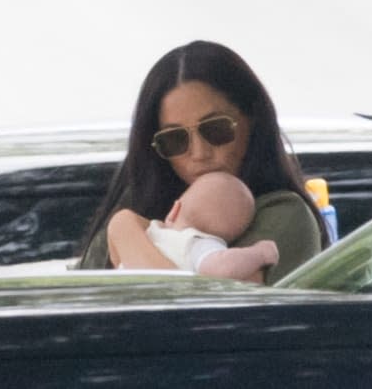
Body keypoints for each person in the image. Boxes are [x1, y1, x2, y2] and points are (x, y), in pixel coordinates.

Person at [78, 40, 328, 284]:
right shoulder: (140, 201)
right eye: (175, 139)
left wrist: (125, 232)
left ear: (252, 119)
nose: (199, 153)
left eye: (216, 129)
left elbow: (192, 315)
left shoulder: (285, 214)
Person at [110, 171, 279, 282]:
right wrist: (259, 253)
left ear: (174, 210)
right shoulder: (198, 244)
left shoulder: (152, 233)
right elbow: (221, 267)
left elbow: (117, 260)